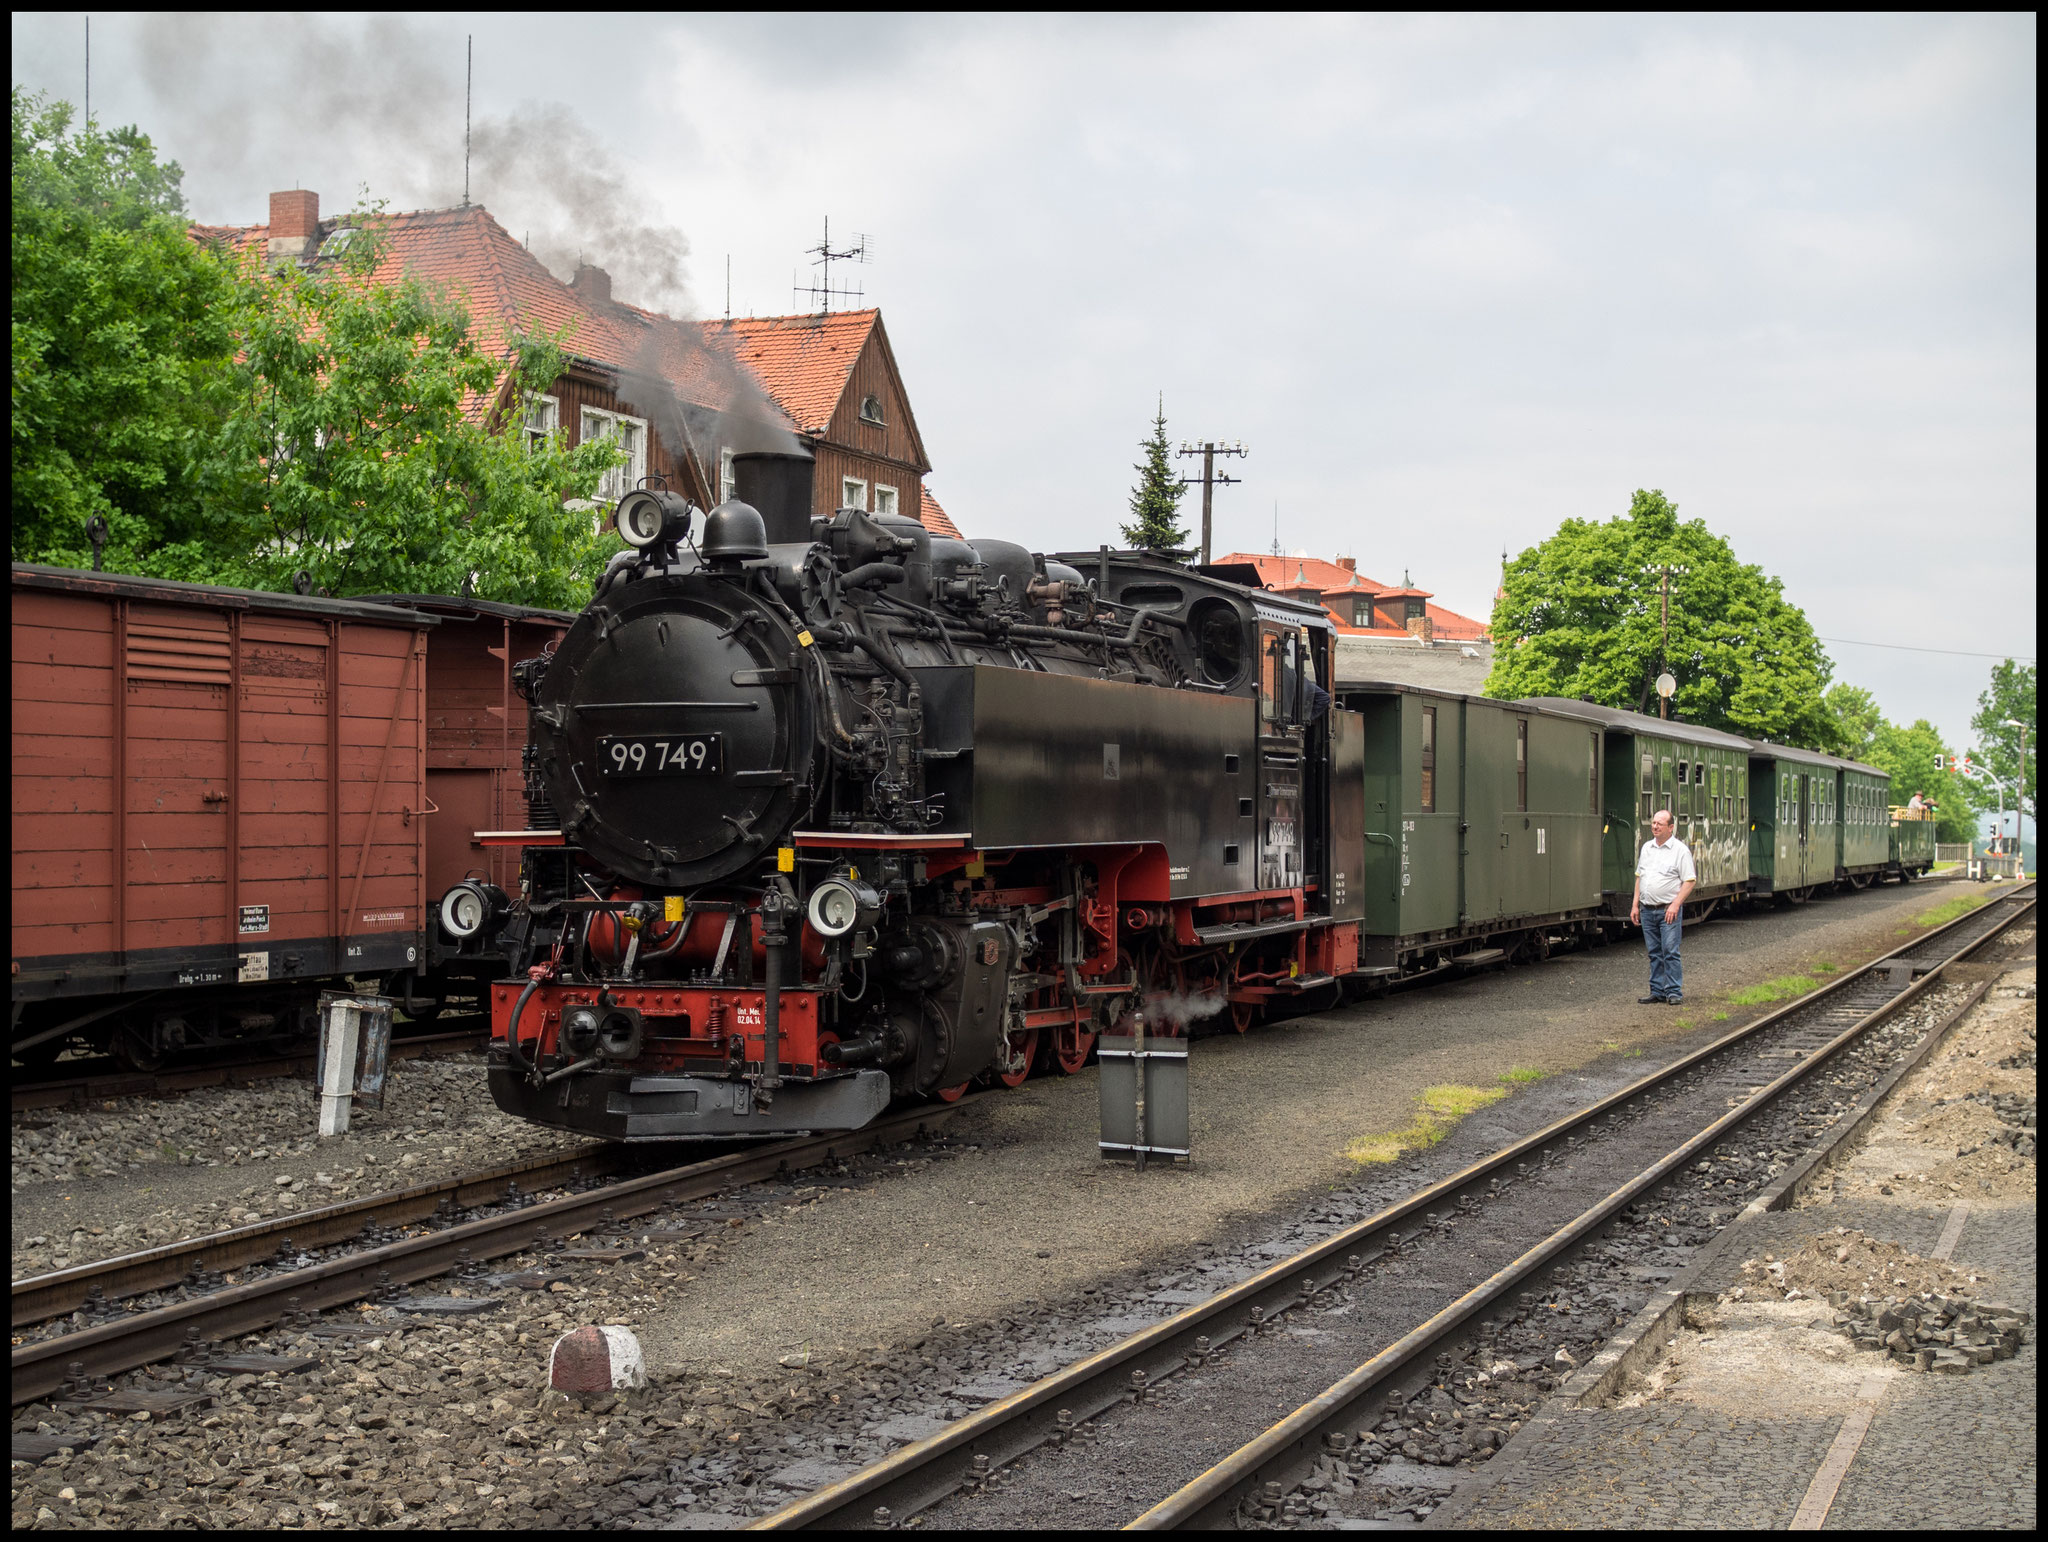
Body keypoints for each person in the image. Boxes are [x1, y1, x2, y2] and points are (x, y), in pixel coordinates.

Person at [1631, 808, 1697, 1005]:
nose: (1655, 826)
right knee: (1654, 952)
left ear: (1671, 827)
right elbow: (1639, 877)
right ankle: (1657, 990)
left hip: (1668, 909)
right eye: (1653, 823)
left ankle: (1674, 991)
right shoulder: (1646, 848)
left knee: (1670, 950)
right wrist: (1635, 905)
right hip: (1647, 908)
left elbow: (1689, 881)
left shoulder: (1680, 851)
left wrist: (1675, 905)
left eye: (1659, 823)